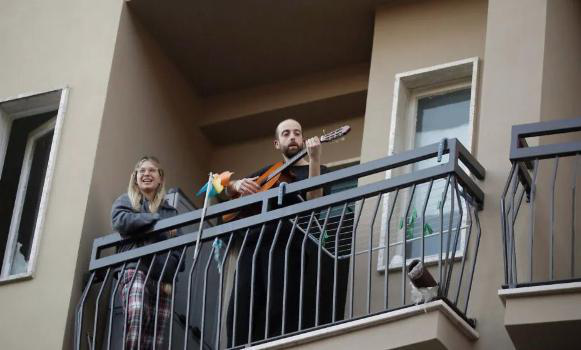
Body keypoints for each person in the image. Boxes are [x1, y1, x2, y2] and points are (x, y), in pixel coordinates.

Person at [224, 119, 330, 346]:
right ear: (276, 142)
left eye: (297, 133)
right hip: (253, 245)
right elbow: (221, 192)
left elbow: (315, 201)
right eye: (286, 133)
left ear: (303, 140)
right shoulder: (269, 172)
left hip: (287, 245)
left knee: (280, 305)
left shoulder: (317, 169)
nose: (292, 137)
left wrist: (315, 159)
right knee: (241, 306)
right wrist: (236, 184)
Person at [112, 156, 180, 350]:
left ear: (160, 178)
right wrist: (155, 222)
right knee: (137, 315)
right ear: (135, 177)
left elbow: (178, 251)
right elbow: (120, 220)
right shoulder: (127, 201)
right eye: (142, 171)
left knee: (155, 338)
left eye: (152, 171)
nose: (146, 174)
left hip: (161, 278)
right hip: (135, 269)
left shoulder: (171, 212)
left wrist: (168, 273)